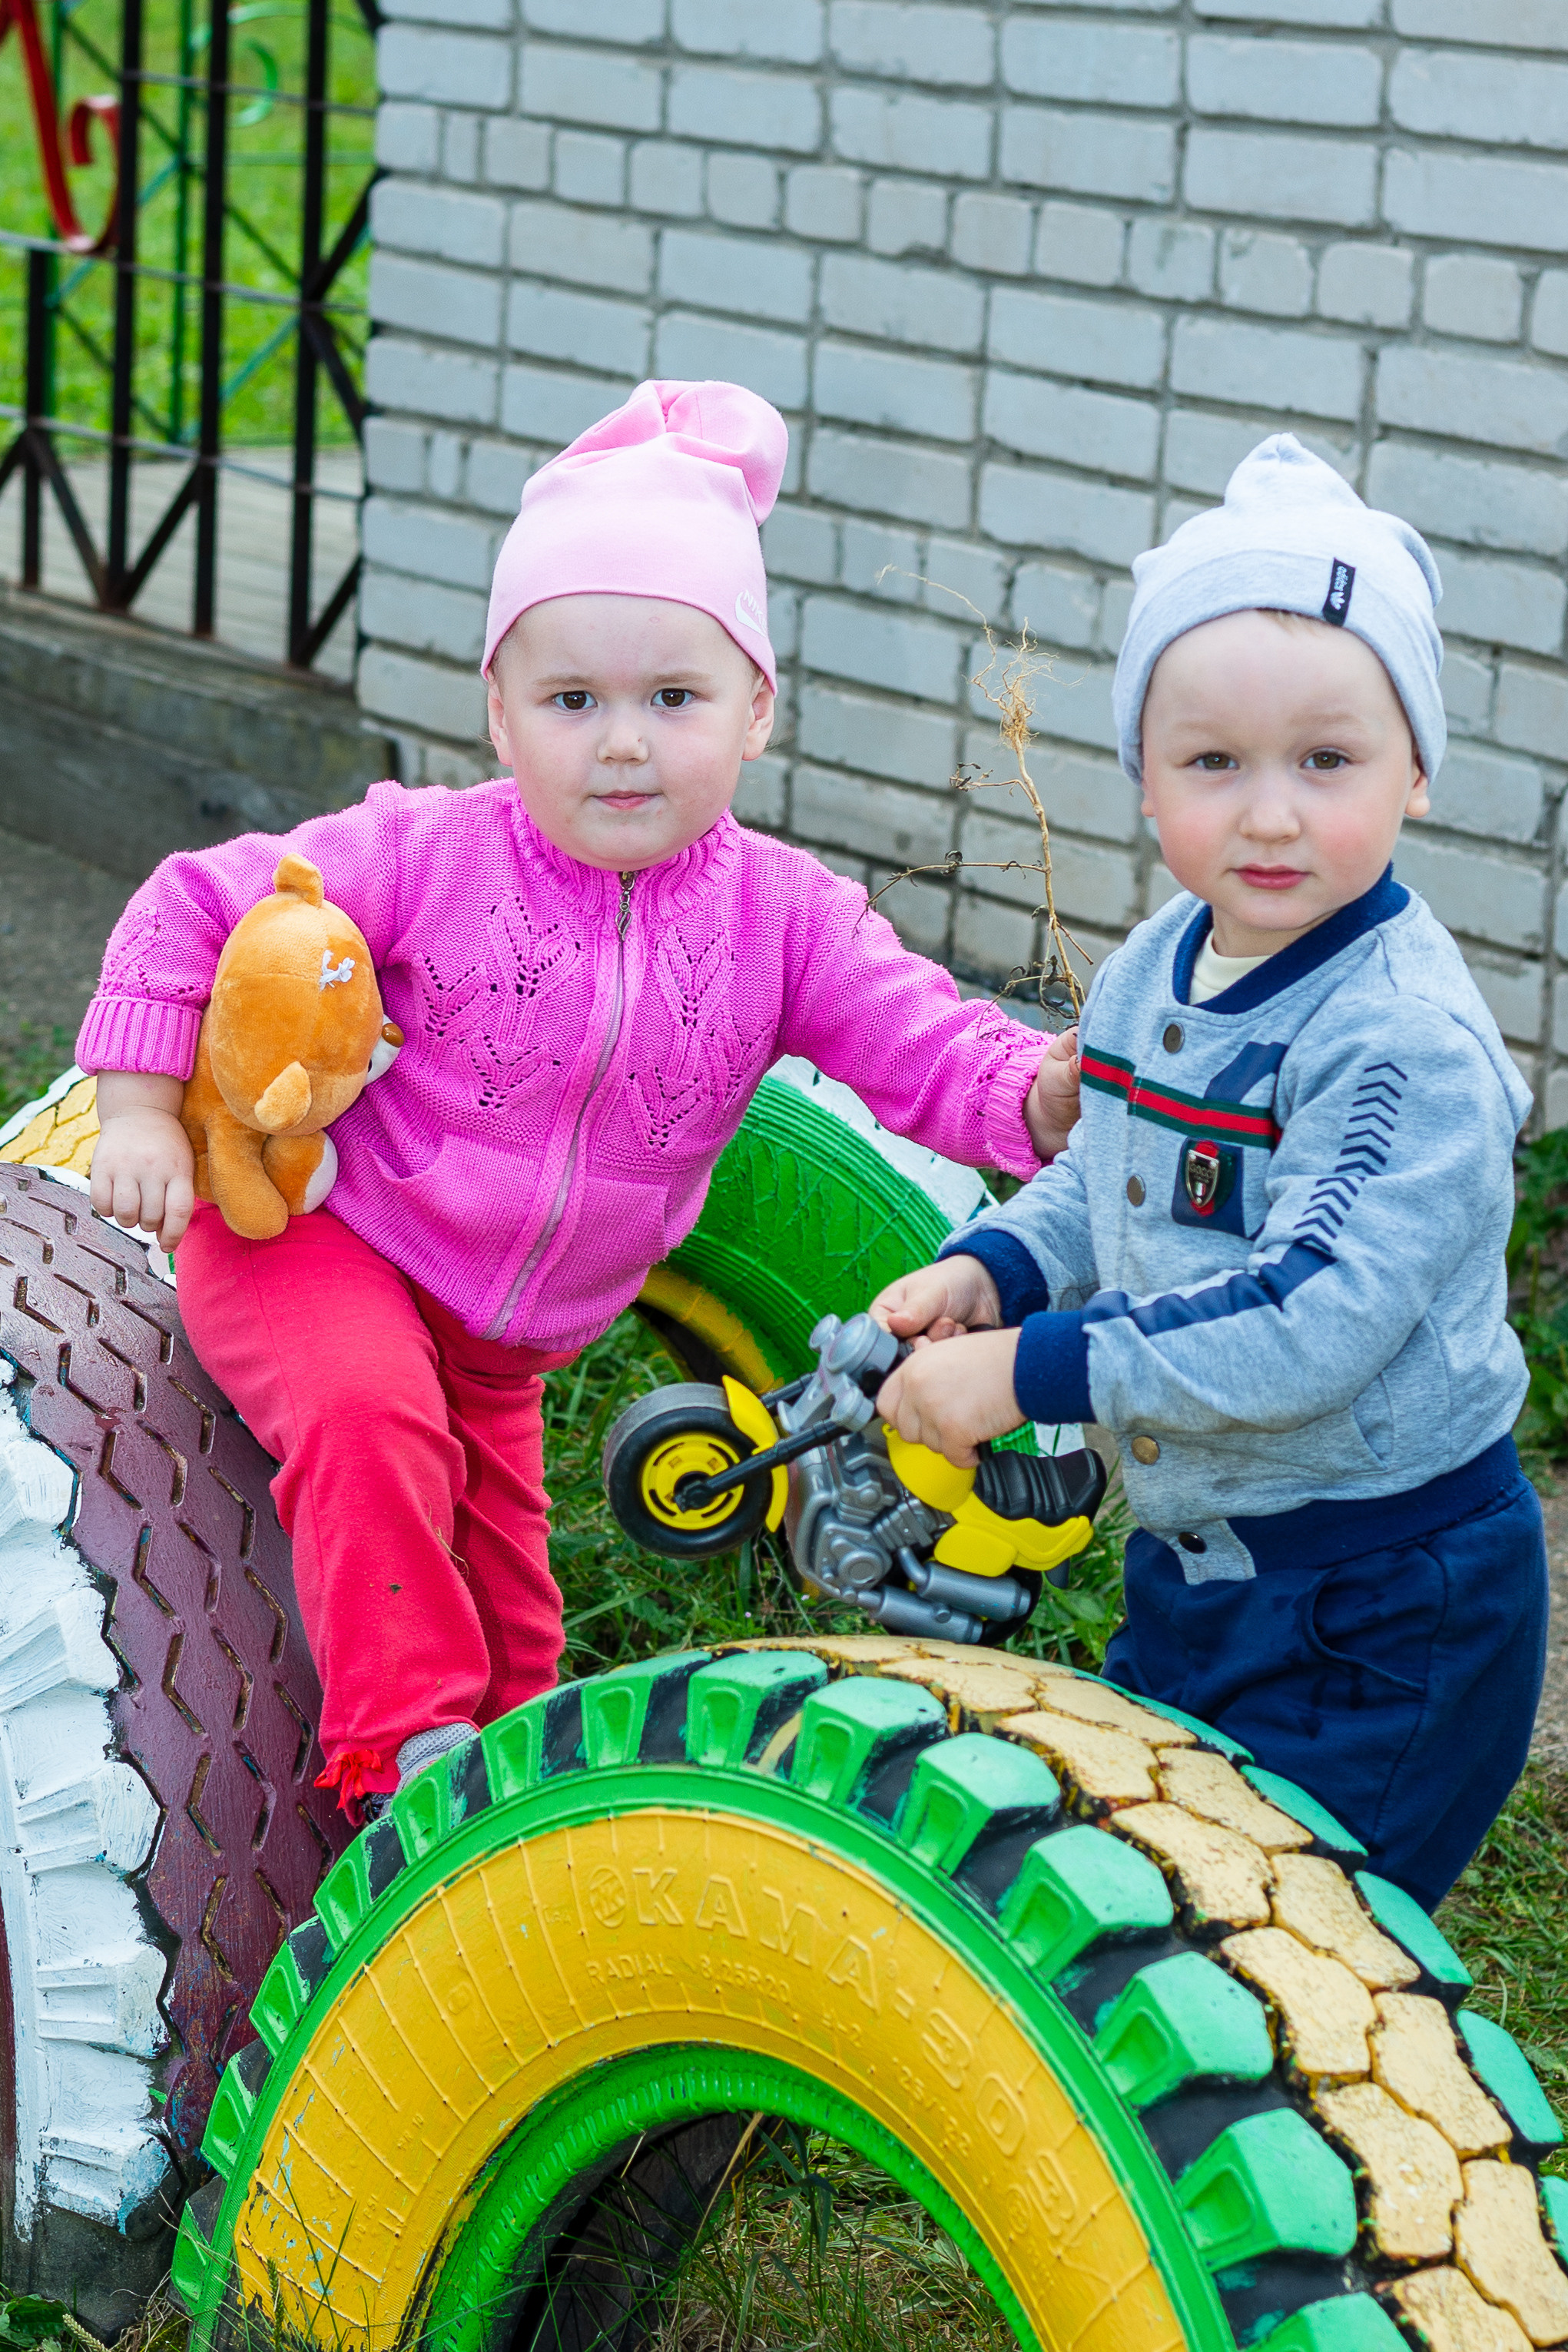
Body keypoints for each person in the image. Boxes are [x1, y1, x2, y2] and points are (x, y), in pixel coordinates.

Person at [81, 378, 1081, 1818]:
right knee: (372, 1421)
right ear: (500, 713)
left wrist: (1033, 1095)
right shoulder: (427, 852)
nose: (621, 741)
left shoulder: (783, 918)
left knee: (520, 1635)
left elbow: (917, 1036)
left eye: (673, 697)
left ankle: (519, 1819)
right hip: (320, 1235)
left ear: (756, 709)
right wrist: (132, 1108)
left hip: (503, 1349)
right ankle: (398, 1771)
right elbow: (192, 902)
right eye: (571, 701)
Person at [872, 433, 1546, 1912]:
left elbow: (1307, 1321)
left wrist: (1029, 1370)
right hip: (1201, 1563)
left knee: (1310, 1953)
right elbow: (1108, 1177)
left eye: (1326, 760)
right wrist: (998, 1267)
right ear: (1143, 779)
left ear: (1417, 771)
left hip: (1382, 1599)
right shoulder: (1152, 968)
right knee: (1170, 1906)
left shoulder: (1398, 1042)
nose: (1268, 812)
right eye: (1212, 763)